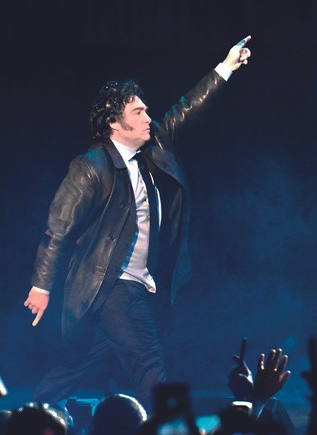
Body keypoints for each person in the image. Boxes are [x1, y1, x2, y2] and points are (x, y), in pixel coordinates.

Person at [24, 36, 253, 412]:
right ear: (115, 122)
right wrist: (41, 286)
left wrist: (225, 67)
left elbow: (187, 109)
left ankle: (27, 417)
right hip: (113, 286)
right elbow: (58, 228)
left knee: (75, 367)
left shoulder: (152, 148)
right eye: (139, 113)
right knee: (151, 368)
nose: (150, 118)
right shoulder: (91, 166)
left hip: (136, 286)